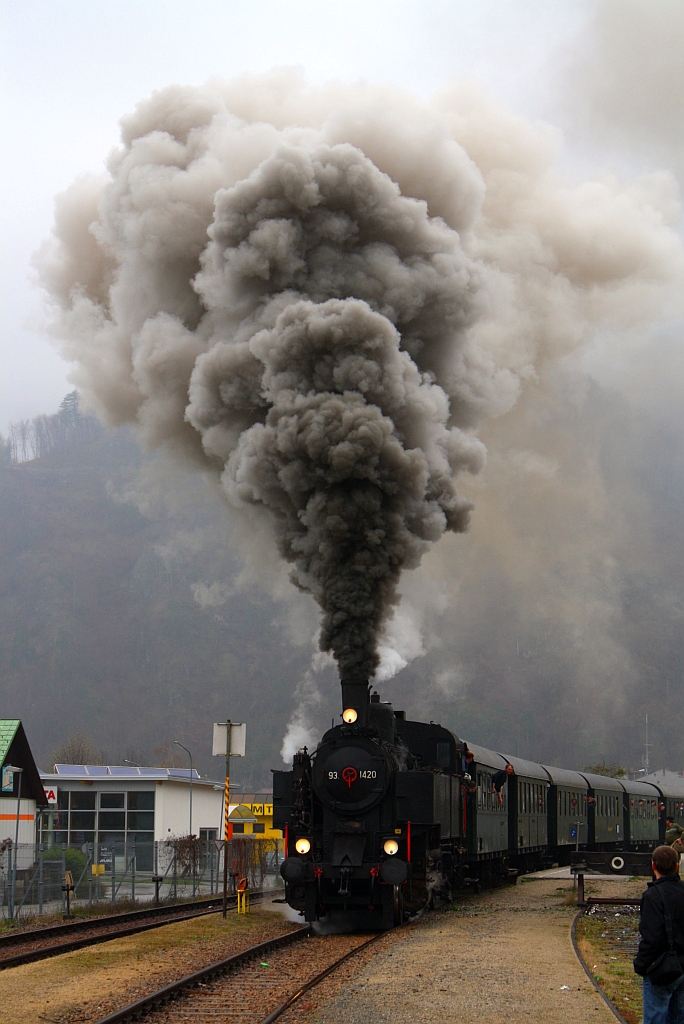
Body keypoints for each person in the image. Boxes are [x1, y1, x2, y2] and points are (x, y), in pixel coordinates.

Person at [634, 844, 684, 1023]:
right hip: (682, 966)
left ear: (653, 866)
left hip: (659, 970)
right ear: (677, 866)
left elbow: (651, 938)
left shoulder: (652, 896)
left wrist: (641, 965)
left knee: (655, 1018)